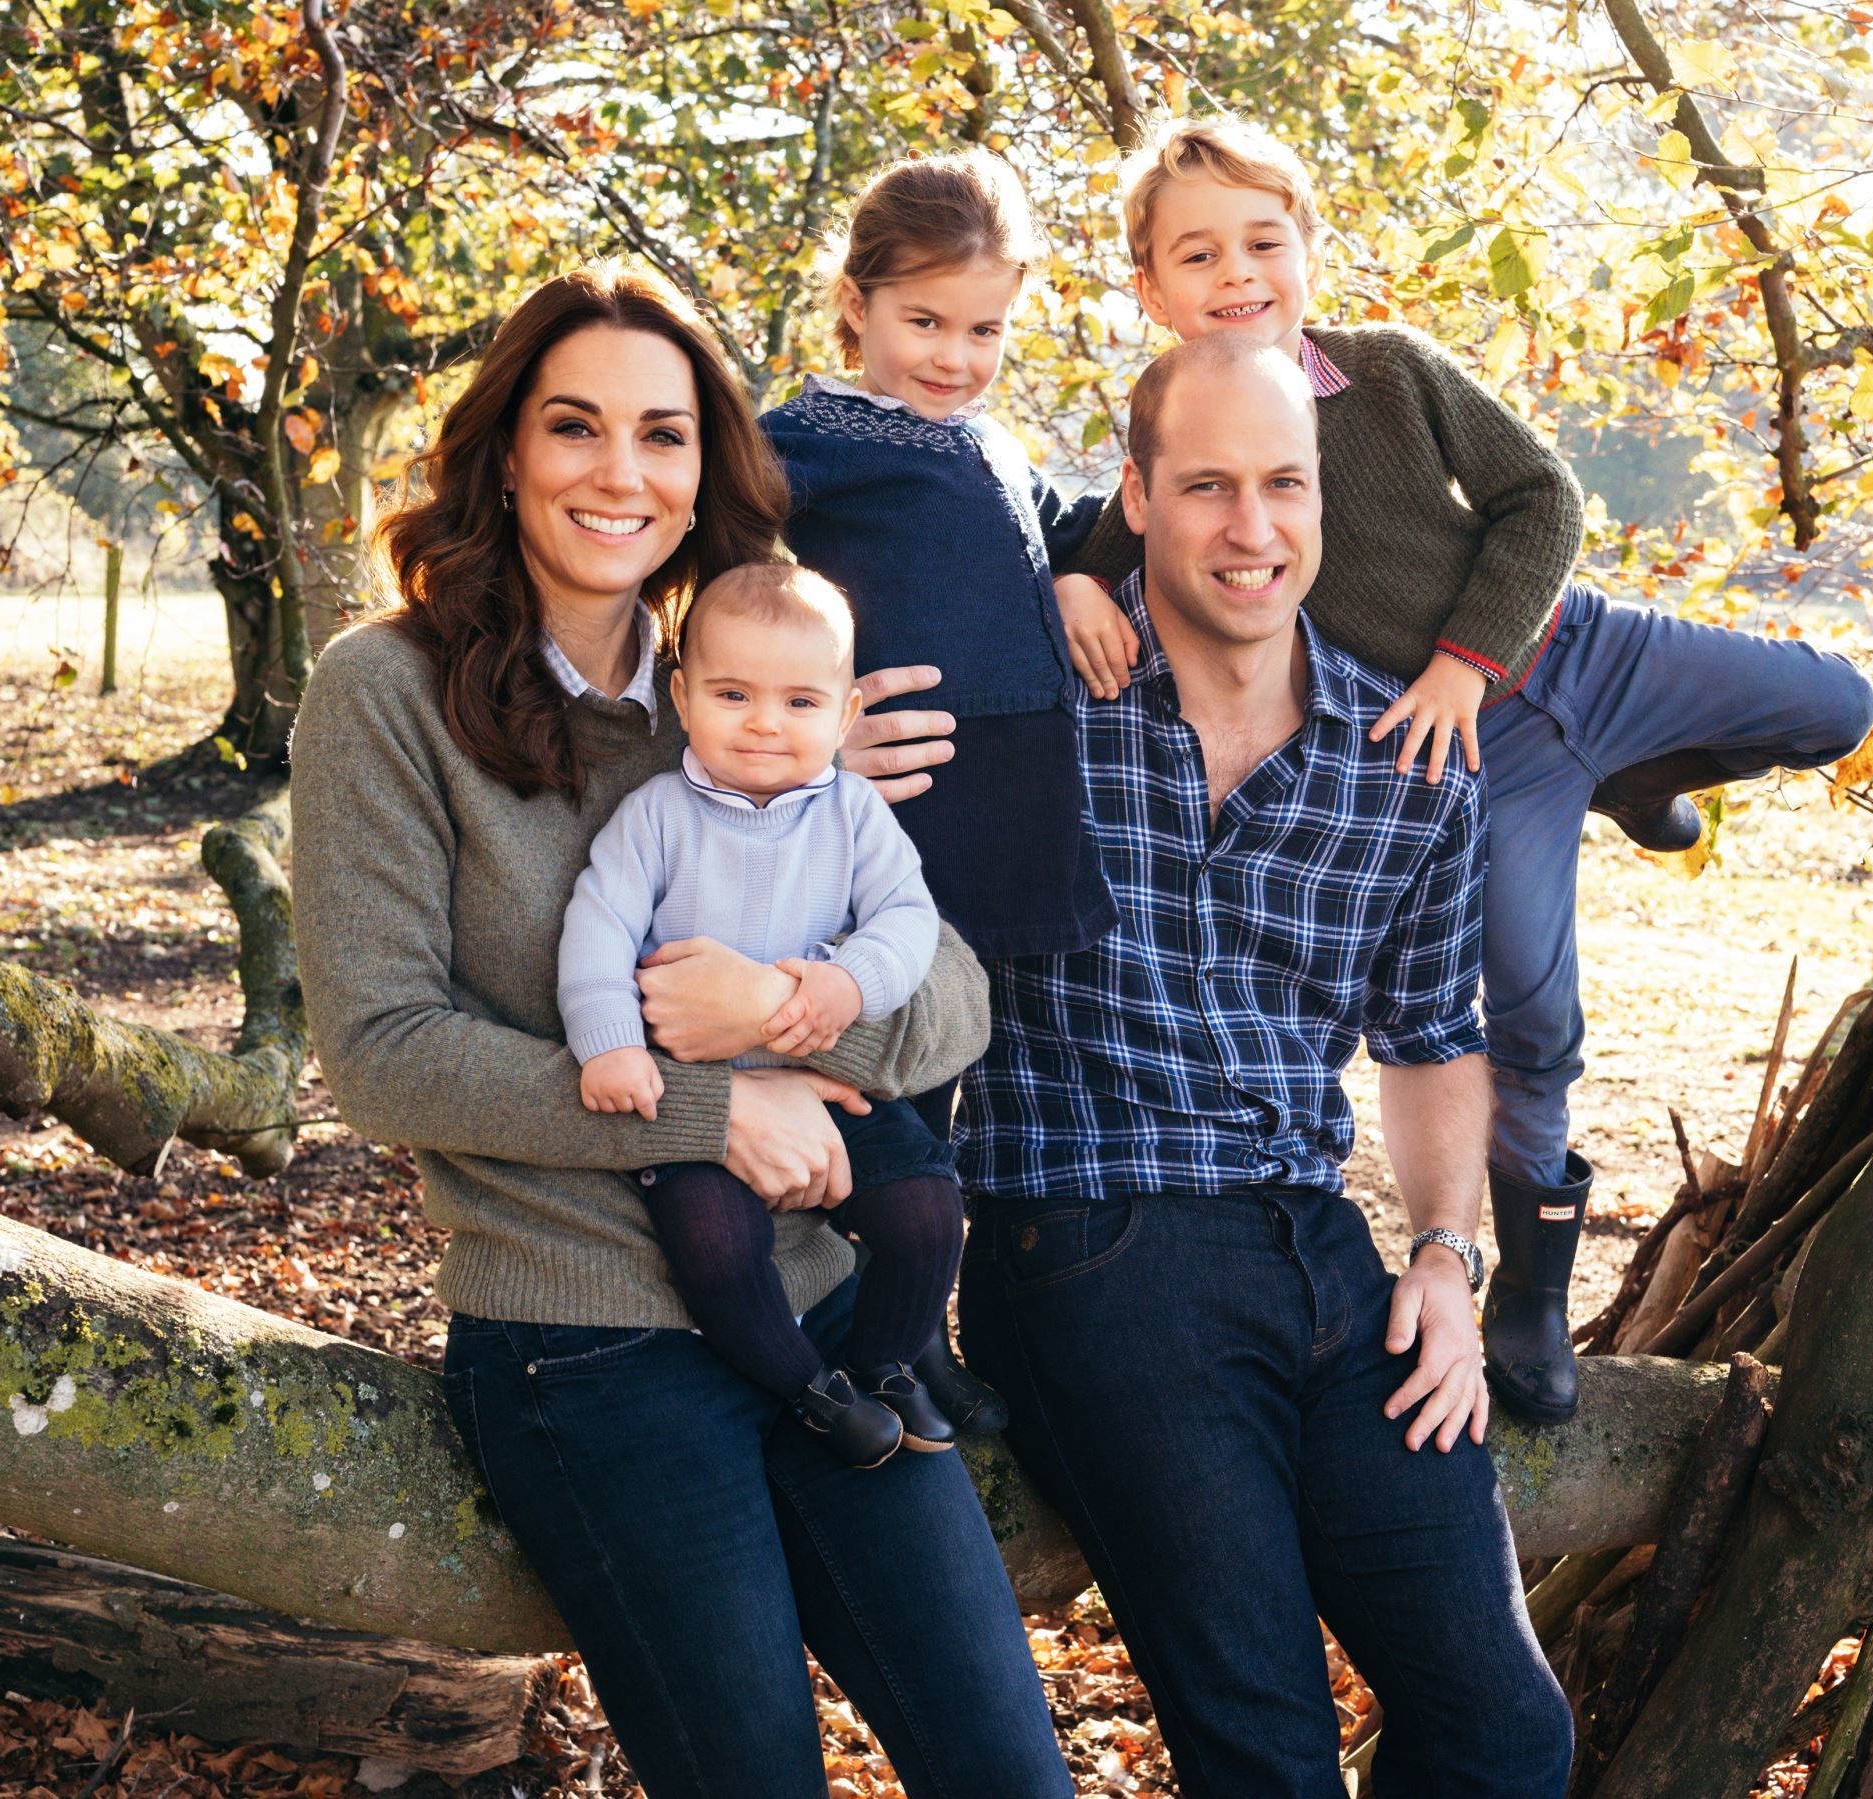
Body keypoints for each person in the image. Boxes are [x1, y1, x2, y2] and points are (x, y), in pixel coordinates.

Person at [288, 262, 1072, 1799]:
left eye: (663, 434)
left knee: (1010, 1770)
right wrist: (719, 1111)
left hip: (827, 1304)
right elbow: (383, 1051)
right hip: (587, 1335)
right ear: (505, 448)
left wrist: (794, 1016)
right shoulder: (381, 692)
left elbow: (957, 992)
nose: (620, 472)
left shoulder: (753, 692)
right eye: (574, 427)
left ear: (708, 466)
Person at [1052, 116, 1873, 1423]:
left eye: (1264, 241)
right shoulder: (1180, 437)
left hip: (1574, 652)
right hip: (1476, 762)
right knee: (1531, 1014)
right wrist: (1067, 584)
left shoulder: (1389, 373)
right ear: (1151, 288)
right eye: (1197, 254)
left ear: (1309, 249)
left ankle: (1642, 769)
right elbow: (1109, 543)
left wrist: (1462, 657)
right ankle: (1534, 1298)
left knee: (1839, 701)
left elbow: (1541, 498)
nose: (1238, 273)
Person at [960, 332, 1575, 1798]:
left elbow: (1433, 1036)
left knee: (1507, 1734)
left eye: (1283, 484)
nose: (1253, 527)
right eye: (1209, 485)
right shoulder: (1031, 699)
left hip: (1319, 1247)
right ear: (1138, 495)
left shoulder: (1405, 754)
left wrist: (1441, 1251)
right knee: (1269, 1756)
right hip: (1093, 1242)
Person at [760, 148, 1120, 1432]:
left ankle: (922, 1324)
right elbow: (713, 575)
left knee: (951, 1077)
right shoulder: (806, 440)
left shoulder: (989, 437)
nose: (956, 355)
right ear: (856, 302)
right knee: (890, 1080)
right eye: (924, 321)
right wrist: (803, 718)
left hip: (1012, 808)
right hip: (909, 808)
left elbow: (1057, 520)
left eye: (985, 329)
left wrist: (1078, 572)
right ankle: (878, 1332)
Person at [557, 562, 962, 1465]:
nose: (765, 723)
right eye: (733, 693)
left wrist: (846, 984)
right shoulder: (655, 816)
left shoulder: (854, 814)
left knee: (928, 1209)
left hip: (822, 1083)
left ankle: (887, 1361)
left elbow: (907, 919)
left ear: (847, 713)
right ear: (683, 695)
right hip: (696, 1097)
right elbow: (596, 929)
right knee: (714, 1243)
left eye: (800, 701)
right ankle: (808, 1389)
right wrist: (611, 1045)